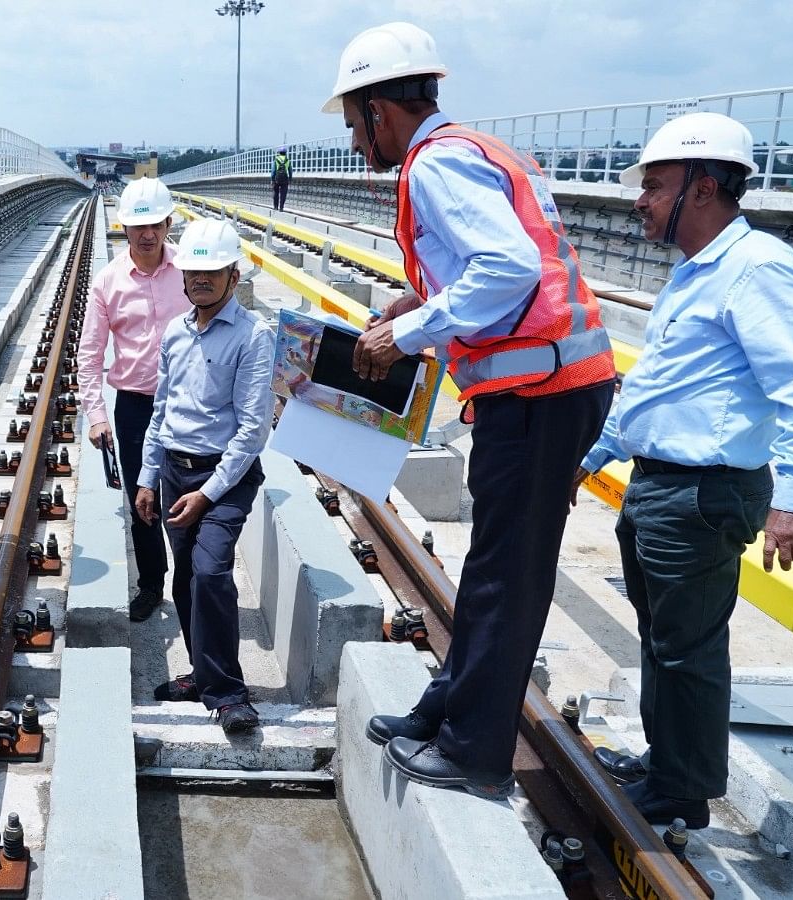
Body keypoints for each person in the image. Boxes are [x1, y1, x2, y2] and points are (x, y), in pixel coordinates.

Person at [326, 22, 617, 797]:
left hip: (543, 395)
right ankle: (447, 706)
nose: (357, 143)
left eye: (356, 126)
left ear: (381, 110)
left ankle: (473, 748)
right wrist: (420, 299)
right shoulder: (474, 150)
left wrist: (408, 333)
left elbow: (509, 267)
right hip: (544, 390)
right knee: (492, 568)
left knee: (505, 579)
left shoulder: (434, 165)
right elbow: (492, 269)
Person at [571, 112, 793, 829]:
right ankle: (669, 764)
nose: (640, 200)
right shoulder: (696, 274)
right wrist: (593, 455)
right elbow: (658, 388)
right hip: (661, 484)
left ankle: (684, 790)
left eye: (654, 185)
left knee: (688, 647)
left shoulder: (757, 268)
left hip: (701, 492)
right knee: (664, 638)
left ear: (703, 187)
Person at [132, 219, 272, 735]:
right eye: (194, 272)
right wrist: (148, 477)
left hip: (225, 476)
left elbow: (253, 428)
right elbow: (161, 411)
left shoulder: (254, 337)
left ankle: (229, 694)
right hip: (174, 468)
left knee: (212, 571)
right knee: (186, 574)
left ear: (234, 276)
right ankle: (201, 672)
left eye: (213, 272)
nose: (201, 281)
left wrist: (207, 495)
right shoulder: (175, 332)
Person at [78, 177, 183, 622]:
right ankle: (151, 584)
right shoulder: (108, 283)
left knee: (190, 491)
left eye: (155, 224)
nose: (147, 234)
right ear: (123, 227)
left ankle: (194, 582)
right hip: (136, 406)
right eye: (138, 226)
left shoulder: (191, 270)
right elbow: (89, 353)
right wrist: (96, 415)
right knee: (143, 499)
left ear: (168, 223)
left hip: (188, 402)